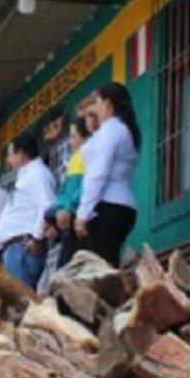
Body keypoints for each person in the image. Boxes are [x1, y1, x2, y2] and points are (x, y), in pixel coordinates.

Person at [75, 83, 141, 266]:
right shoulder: (122, 129)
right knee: (105, 265)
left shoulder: (111, 129)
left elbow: (98, 173)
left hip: (108, 206)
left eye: (97, 102)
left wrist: (83, 213)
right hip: (121, 206)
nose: (94, 108)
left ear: (108, 104)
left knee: (98, 270)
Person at [0, 132, 56, 290]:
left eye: (10, 155)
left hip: (23, 249)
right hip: (16, 250)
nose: (8, 161)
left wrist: (37, 238)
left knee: (24, 304)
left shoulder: (37, 174)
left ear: (21, 154)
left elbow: (47, 207)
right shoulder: (27, 174)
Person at [54, 114, 95, 268]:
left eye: (73, 137)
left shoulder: (88, 155)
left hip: (81, 218)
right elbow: (64, 189)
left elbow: (85, 187)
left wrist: (68, 208)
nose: (69, 142)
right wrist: (59, 209)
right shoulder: (74, 159)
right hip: (68, 217)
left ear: (85, 137)